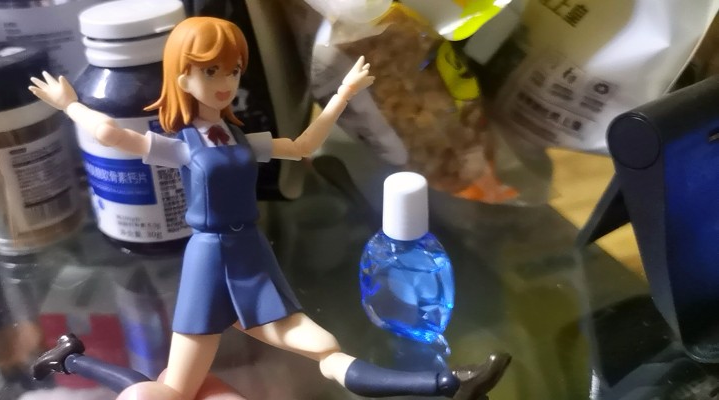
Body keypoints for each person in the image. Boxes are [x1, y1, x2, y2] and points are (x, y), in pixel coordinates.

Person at [29, 16, 510, 400]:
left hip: (250, 253)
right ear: (182, 76)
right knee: (172, 391)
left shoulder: (238, 137)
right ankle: (70, 358)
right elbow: (113, 135)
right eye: (211, 70)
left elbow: (302, 147)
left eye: (233, 69)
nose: (225, 81)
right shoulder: (181, 144)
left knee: (324, 349)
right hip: (209, 260)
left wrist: (342, 95)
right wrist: (69, 104)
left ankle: (445, 384)